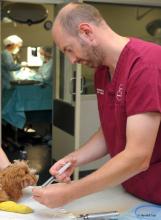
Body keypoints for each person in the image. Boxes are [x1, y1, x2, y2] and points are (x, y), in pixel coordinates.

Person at [32, 2, 161, 208]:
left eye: (69, 49)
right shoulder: (102, 71)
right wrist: (74, 158)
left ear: (86, 32)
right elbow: (110, 130)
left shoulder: (146, 65)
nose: (72, 60)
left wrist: (71, 193)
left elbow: (138, 156)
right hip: (134, 190)